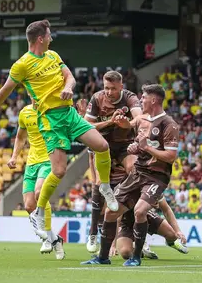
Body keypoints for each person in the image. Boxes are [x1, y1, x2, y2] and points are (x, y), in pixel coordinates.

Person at [0, 20, 117, 243]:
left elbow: (69, 76)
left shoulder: (53, 55)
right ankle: (39, 212)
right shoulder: (22, 65)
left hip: (69, 114)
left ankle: (105, 186)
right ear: (40, 38)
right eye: (49, 35)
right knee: (59, 171)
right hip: (50, 120)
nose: (51, 38)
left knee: (102, 146)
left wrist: (68, 88)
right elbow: (4, 91)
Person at [81, 83, 180, 267]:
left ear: (153, 100)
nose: (141, 100)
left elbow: (171, 156)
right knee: (111, 211)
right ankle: (102, 257)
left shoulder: (169, 125)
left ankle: (136, 257)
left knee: (140, 210)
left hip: (156, 177)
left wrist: (147, 148)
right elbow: (129, 125)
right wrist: (120, 123)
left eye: (143, 97)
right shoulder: (142, 119)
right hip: (137, 173)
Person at [81, 71, 143, 253]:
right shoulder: (96, 98)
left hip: (124, 146)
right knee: (100, 184)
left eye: (113, 89)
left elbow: (140, 117)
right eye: (106, 88)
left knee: (134, 169)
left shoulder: (130, 97)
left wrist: (128, 124)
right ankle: (93, 233)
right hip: (102, 147)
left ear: (121, 87)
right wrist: (110, 122)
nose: (109, 92)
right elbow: (86, 126)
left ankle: (135, 221)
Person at [8, 102, 64, 259]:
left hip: (48, 159)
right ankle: (54, 239)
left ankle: (46, 239)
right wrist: (14, 157)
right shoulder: (24, 113)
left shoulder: (51, 110)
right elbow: (20, 137)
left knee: (40, 192)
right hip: (31, 163)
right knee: (29, 206)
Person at [118, 196, 188, 260]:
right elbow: (117, 218)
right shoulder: (125, 189)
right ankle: (141, 252)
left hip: (146, 215)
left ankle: (171, 243)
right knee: (126, 253)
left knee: (172, 235)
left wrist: (178, 230)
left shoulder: (154, 188)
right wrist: (112, 246)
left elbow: (166, 209)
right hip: (126, 222)